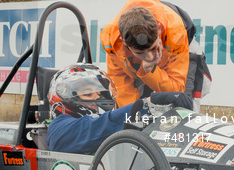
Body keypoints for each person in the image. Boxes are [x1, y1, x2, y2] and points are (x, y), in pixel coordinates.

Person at [45, 64, 192, 153]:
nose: (98, 98)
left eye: (101, 93)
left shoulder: (113, 119)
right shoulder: (58, 129)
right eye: (88, 93)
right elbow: (99, 127)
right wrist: (147, 104)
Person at [99, 0, 191, 108]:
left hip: (183, 39)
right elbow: (122, 88)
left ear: (159, 29)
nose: (149, 57)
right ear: (123, 42)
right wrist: (132, 114)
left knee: (184, 103)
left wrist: (149, 69)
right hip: (134, 56)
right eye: (140, 53)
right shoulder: (112, 40)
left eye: (153, 49)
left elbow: (176, 90)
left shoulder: (176, 34)